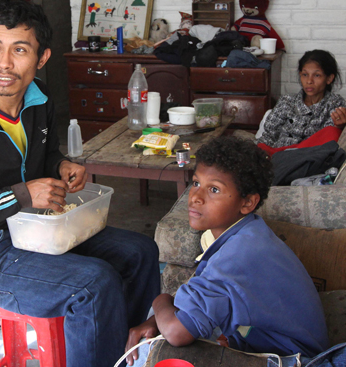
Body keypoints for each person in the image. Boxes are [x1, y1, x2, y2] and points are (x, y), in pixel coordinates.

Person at [0, 0, 160, 367]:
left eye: (20, 50)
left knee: (142, 252)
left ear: (42, 58)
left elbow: (43, 157)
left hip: (35, 229)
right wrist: (22, 195)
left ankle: (123, 353)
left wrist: (61, 165)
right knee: (94, 285)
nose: (4, 64)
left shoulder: (39, 98)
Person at [125, 137, 329, 366]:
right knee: (160, 322)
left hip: (295, 359)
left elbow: (176, 332)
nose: (196, 197)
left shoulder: (238, 256)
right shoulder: (248, 231)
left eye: (214, 189)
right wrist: (159, 314)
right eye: (195, 183)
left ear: (248, 203)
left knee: (149, 350)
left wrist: (160, 299)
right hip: (275, 340)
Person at [258, 49, 346, 154]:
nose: (309, 81)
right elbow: (269, 135)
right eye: (305, 75)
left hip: (307, 156)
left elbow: (327, 140)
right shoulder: (287, 101)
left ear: (329, 78)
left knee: (332, 132)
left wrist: (339, 126)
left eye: (317, 75)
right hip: (277, 154)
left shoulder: (336, 104)